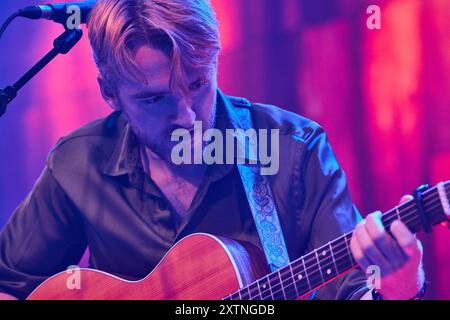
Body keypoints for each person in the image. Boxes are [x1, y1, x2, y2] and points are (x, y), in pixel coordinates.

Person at [0, 0, 424, 300]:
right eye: (154, 99)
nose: (185, 117)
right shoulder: (78, 162)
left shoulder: (294, 152)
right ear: (110, 93)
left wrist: (400, 286)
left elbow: (350, 293)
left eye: (198, 84)